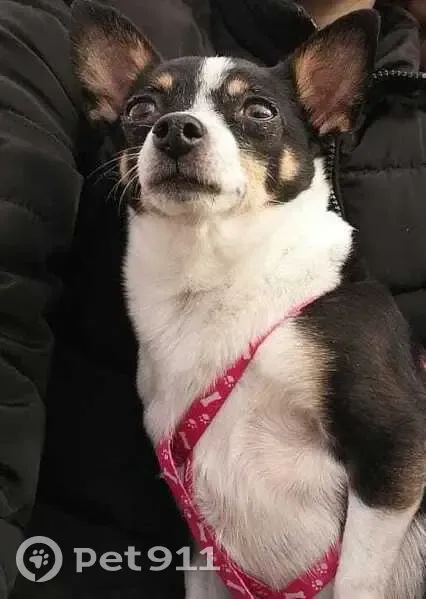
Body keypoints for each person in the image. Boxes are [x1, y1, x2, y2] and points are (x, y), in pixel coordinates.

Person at [0, 0, 425, 598]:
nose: (177, 128)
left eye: (255, 112)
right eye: (145, 111)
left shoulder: (333, 315)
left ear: (326, 114)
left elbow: (399, 451)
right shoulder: (46, 27)